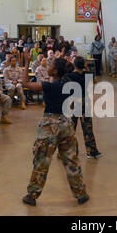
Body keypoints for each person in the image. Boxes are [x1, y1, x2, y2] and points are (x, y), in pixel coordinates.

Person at [21, 58, 89, 206]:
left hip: (49, 125)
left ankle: (32, 195)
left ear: (56, 71)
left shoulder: (49, 86)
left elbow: (25, 83)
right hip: (66, 124)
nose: (48, 66)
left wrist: (26, 63)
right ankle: (80, 194)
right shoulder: (69, 86)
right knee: (71, 161)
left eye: (51, 65)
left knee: (42, 161)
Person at [64, 57, 103, 158]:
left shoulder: (69, 76)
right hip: (85, 102)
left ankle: (66, 152)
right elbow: (95, 81)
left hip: (73, 102)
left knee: (70, 128)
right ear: (84, 65)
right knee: (87, 128)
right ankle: (92, 151)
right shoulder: (88, 75)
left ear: (74, 65)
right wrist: (87, 68)